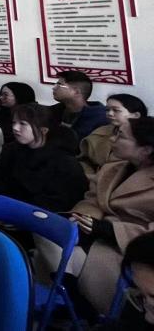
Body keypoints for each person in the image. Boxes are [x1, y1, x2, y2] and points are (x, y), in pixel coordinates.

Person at [65, 117, 154, 314]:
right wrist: (83, 218)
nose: (112, 140)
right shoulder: (112, 168)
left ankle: (90, 310)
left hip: (131, 247)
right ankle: (75, 305)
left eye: (121, 136)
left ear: (146, 149)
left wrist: (111, 230)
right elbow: (92, 199)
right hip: (95, 231)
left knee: (66, 258)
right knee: (48, 238)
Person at [0, 103, 87, 214]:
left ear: (43, 130)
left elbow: (59, 202)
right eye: (14, 122)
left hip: (35, 217)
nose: (15, 128)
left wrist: (13, 213)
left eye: (23, 124)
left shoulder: (64, 163)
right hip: (2, 210)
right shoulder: (10, 151)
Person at [80, 94, 148, 179]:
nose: (110, 114)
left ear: (135, 115)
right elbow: (85, 159)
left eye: (116, 110)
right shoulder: (101, 131)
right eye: (107, 110)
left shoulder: (145, 139)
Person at [51, 70, 108, 140]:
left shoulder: (100, 119)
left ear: (76, 92)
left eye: (59, 85)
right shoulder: (55, 111)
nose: (54, 88)